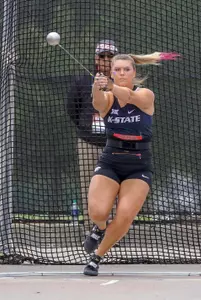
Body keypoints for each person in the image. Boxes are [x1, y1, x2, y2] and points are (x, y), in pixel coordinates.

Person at [82, 51, 180, 276]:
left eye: (126, 69)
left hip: (138, 164)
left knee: (125, 214)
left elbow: (130, 97)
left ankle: (96, 257)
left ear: (134, 72)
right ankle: (99, 227)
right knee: (98, 212)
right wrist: (97, 86)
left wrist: (109, 85)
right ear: (111, 73)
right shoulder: (108, 98)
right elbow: (98, 103)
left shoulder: (145, 94)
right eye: (117, 70)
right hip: (111, 160)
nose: (122, 73)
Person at [66, 40, 119, 230]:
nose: (106, 60)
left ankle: (112, 231)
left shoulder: (121, 82)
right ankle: (92, 230)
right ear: (96, 58)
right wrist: (84, 127)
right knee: (90, 186)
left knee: (114, 187)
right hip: (88, 143)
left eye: (110, 56)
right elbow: (73, 108)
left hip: (115, 144)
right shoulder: (83, 79)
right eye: (102, 56)